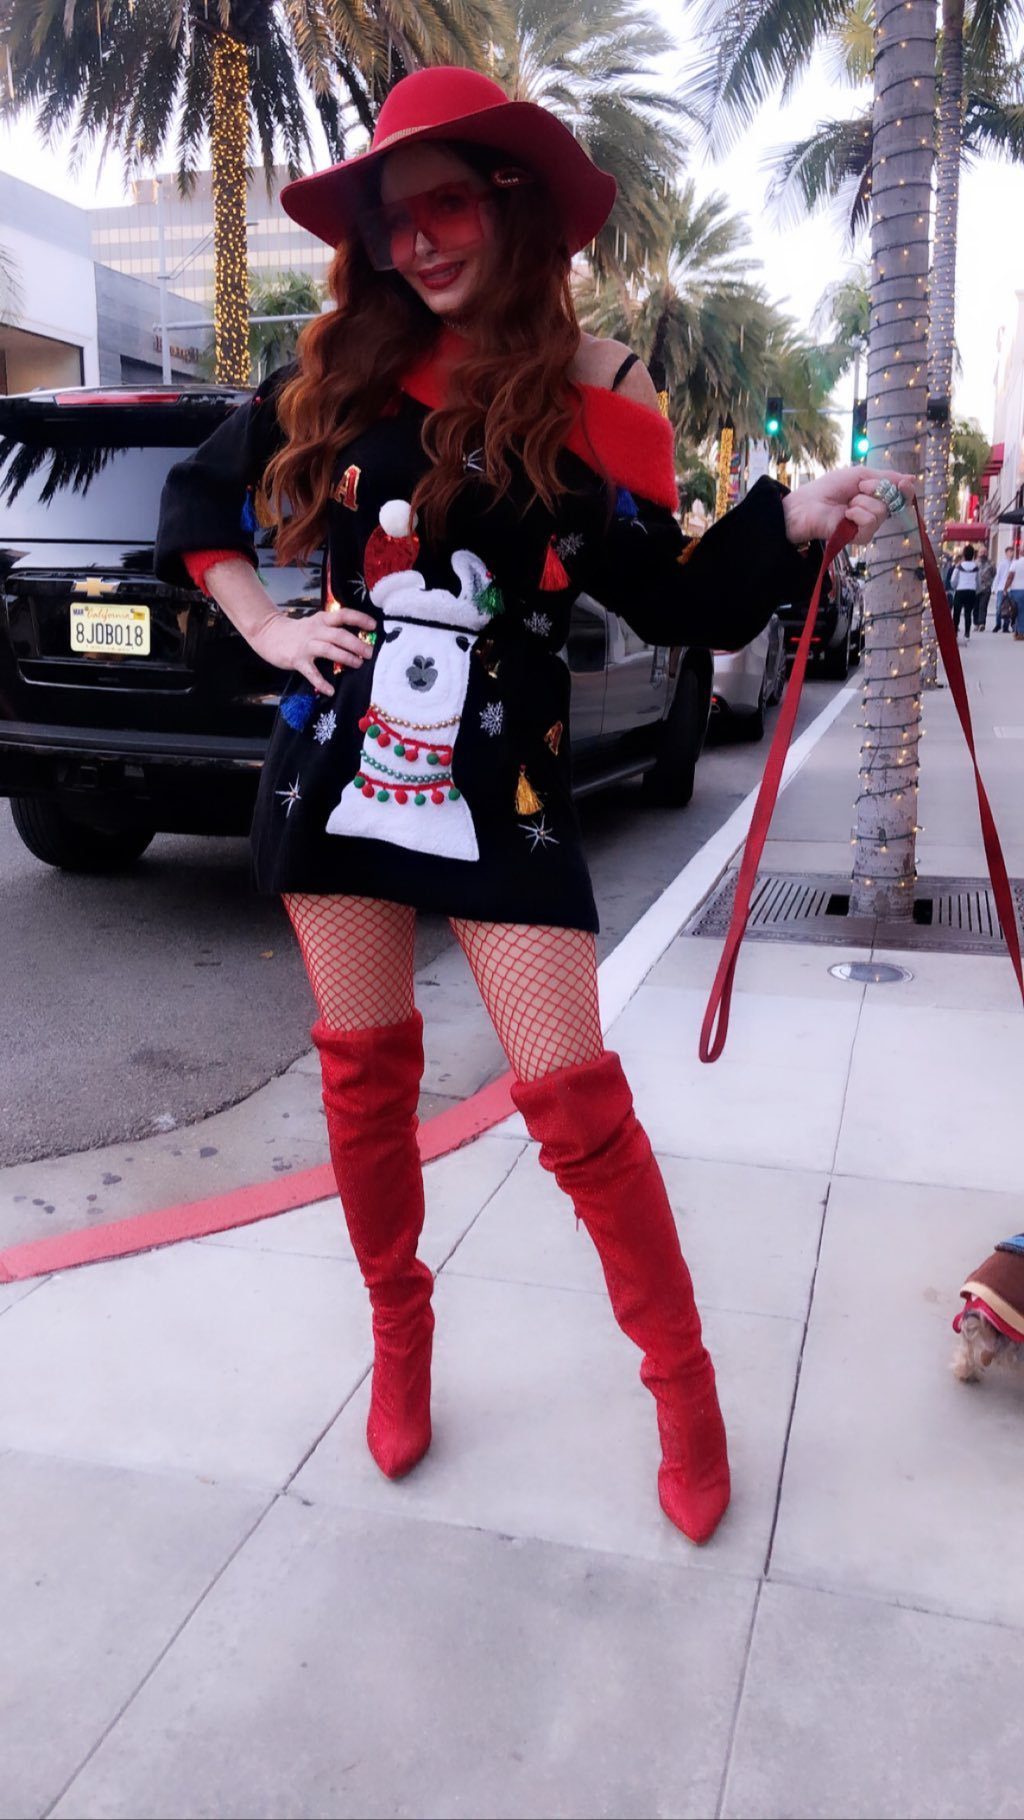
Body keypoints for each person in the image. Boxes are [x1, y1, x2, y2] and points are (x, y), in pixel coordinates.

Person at [155, 66, 914, 1547]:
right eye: (393, 220)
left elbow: (680, 599)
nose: (415, 243)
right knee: (363, 1080)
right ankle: (400, 1334)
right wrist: (266, 627)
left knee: (576, 1104)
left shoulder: (588, 400)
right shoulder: (338, 375)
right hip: (337, 774)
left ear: (510, 208)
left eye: (443, 206)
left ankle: (682, 1386)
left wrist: (789, 516)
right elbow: (198, 505)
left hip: (502, 788)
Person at [949, 543, 980, 640]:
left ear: (963, 555)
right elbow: (978, 581)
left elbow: (953, 580)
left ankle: (954, 633)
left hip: (960, 591)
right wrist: (976, 590)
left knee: (956, 613)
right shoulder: (976, 568)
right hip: (971, 591)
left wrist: (954, 587)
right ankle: (967, 634)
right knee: (968, 613)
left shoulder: (959, 567)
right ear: (973, 555)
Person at [991, 548, 1015, 632]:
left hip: (1011, 588)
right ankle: (998, 624)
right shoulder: (1002, 563)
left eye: (1012, 552)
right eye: (1010, 552)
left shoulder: (1014, 563)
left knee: (1010, 608)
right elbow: (998, 576)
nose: (1011, 553)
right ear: (1006, 553)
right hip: (1001, 587)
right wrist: (994, 588)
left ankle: (1006, 626)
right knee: (999, 607)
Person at [974, 549, 995, 629]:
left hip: (986, 587)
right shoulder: (975, 563)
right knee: (976, 606)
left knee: (983, 606)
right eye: (981, 552)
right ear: (978, 553)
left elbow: (994, 574)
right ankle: (976, 623)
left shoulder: (991, 564)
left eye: (985, 552)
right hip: (976, 588)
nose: (983, 554)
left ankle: (982, 623)